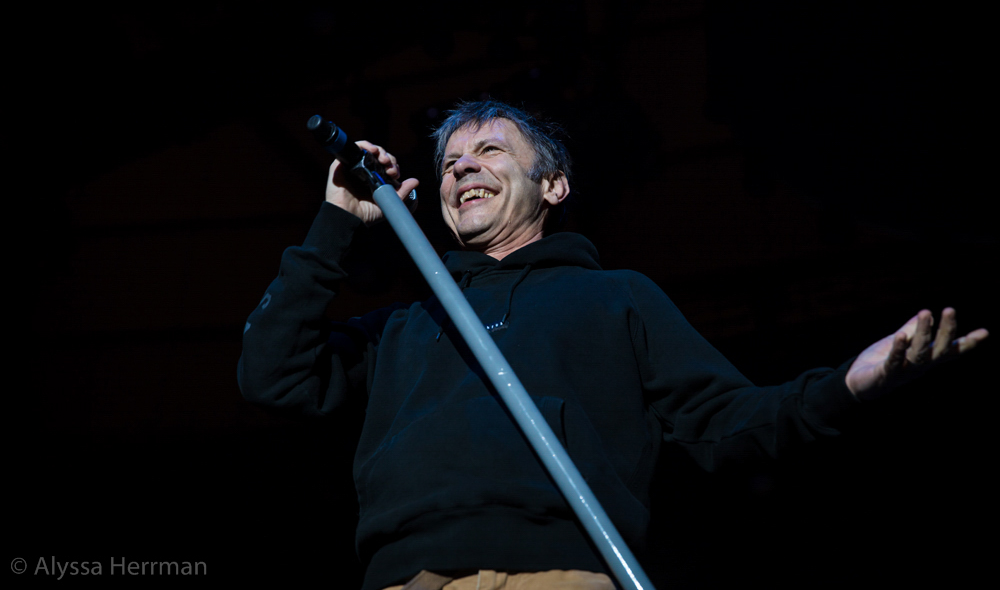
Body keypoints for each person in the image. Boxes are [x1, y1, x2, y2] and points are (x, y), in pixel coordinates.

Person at [238, 100, 987, 590]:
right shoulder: (407, 324)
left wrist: (845, 385)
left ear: (554, 186)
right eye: (449, 163)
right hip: (408, 578)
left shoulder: (615, 297)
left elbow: (728, 420)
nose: (462, 166)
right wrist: (336, 221)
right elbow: (272, 374)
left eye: (490, 150)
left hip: (565, 571)